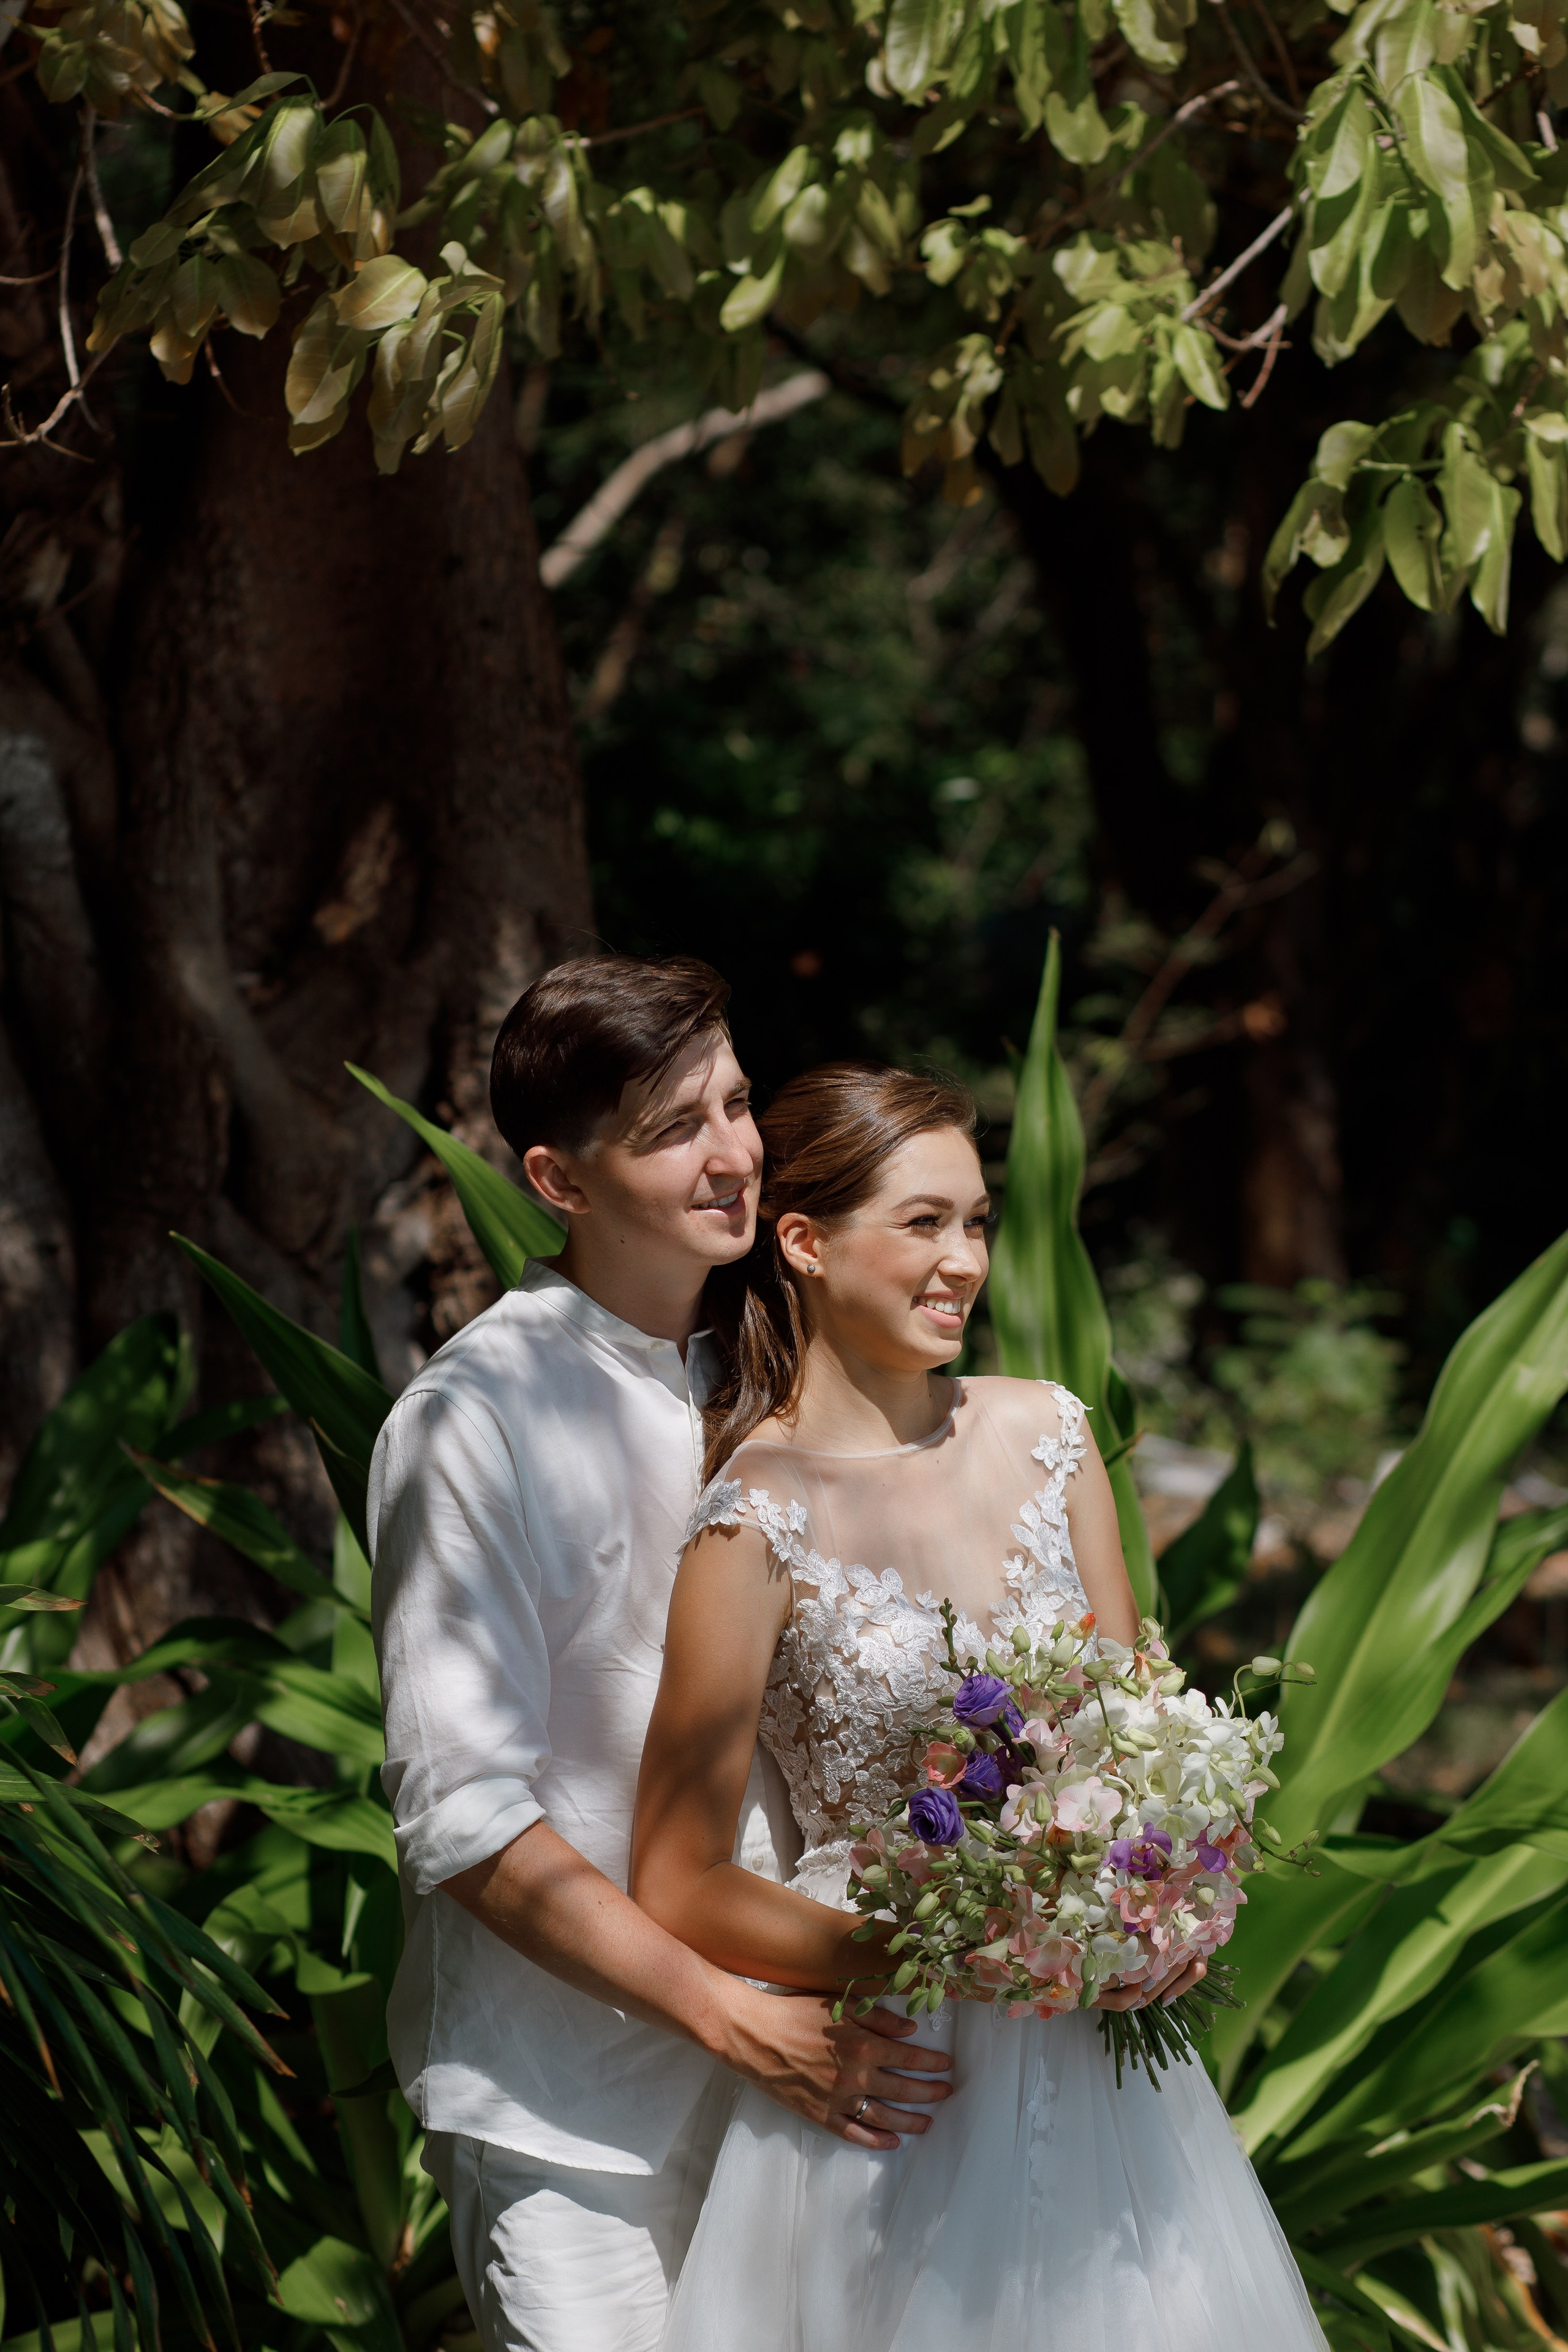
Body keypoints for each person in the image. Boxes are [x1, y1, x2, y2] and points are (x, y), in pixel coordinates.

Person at [631, 1061, 1330, 2352]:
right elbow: (675, 1879)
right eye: (921, 1222)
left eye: (976, 1221)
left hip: (1093, 2047)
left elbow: (1135, 1735)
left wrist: (1162, 1897)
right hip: (892, 2072)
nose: (962, 1260)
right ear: (802, 1242)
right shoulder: (751, 1518)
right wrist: (942, 1954)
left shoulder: (1049, 1435)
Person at [369, 963, 952, 2352]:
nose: (736, 1152)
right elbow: (461, 1817)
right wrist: (730, 2017)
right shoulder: (472, 1421)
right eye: (674, 1126)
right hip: (578, 2121)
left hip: (813, 2090)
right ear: (558, 1181)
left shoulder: (792, 1375)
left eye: (738, 1102)